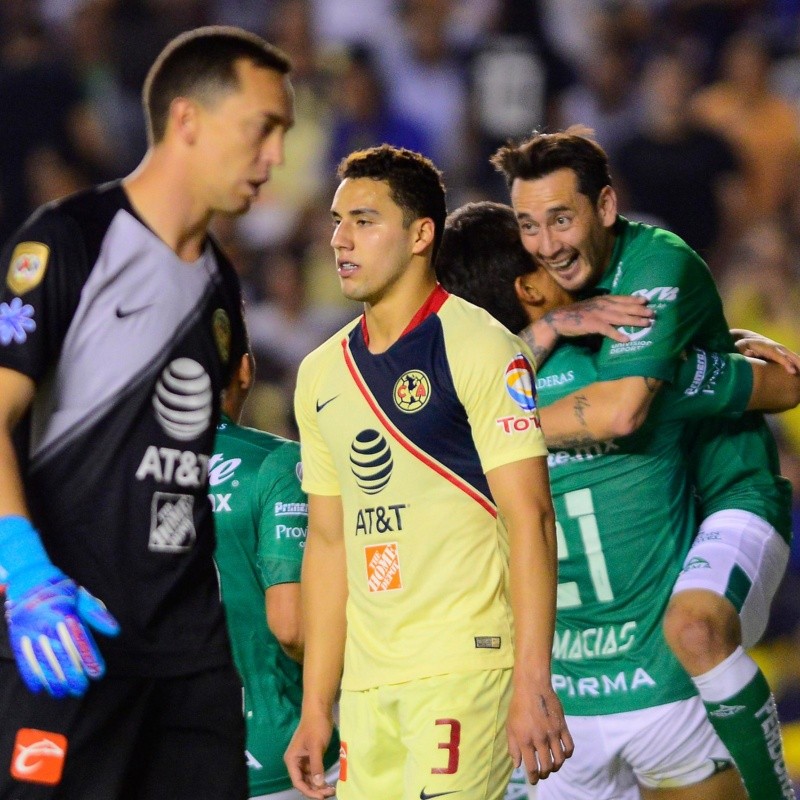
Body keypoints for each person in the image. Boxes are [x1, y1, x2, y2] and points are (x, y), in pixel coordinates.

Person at [0, 25, 294, 799]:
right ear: (189, 121)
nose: (275, 159)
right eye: (261, 129)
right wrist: (23, 570)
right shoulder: (69, 242)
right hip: (69, 642)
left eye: (284, 134)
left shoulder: (220, 286)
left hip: (192, 660)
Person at [437, 193, 796, 800]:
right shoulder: (626, 365)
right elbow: (779, 385)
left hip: (555, 706)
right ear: (530, 289)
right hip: (662, 687)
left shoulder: (449, 413)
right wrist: (709, 347)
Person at [284, 145, 572, 800]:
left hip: (464, 671)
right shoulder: (320, 373)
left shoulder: (479, 346)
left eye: (363, 220)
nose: (339, 239)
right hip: (367, 686)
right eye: (336, 221)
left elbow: (531, 516)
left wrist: (533, 679)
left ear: (421, 235)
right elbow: (328, 544)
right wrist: (317, 705)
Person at [211, 340, 340, 800]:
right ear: (245, 369)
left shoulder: (127, 473)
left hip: (161, 749)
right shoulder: (276, 464)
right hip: (275, 754)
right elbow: (292, 629)